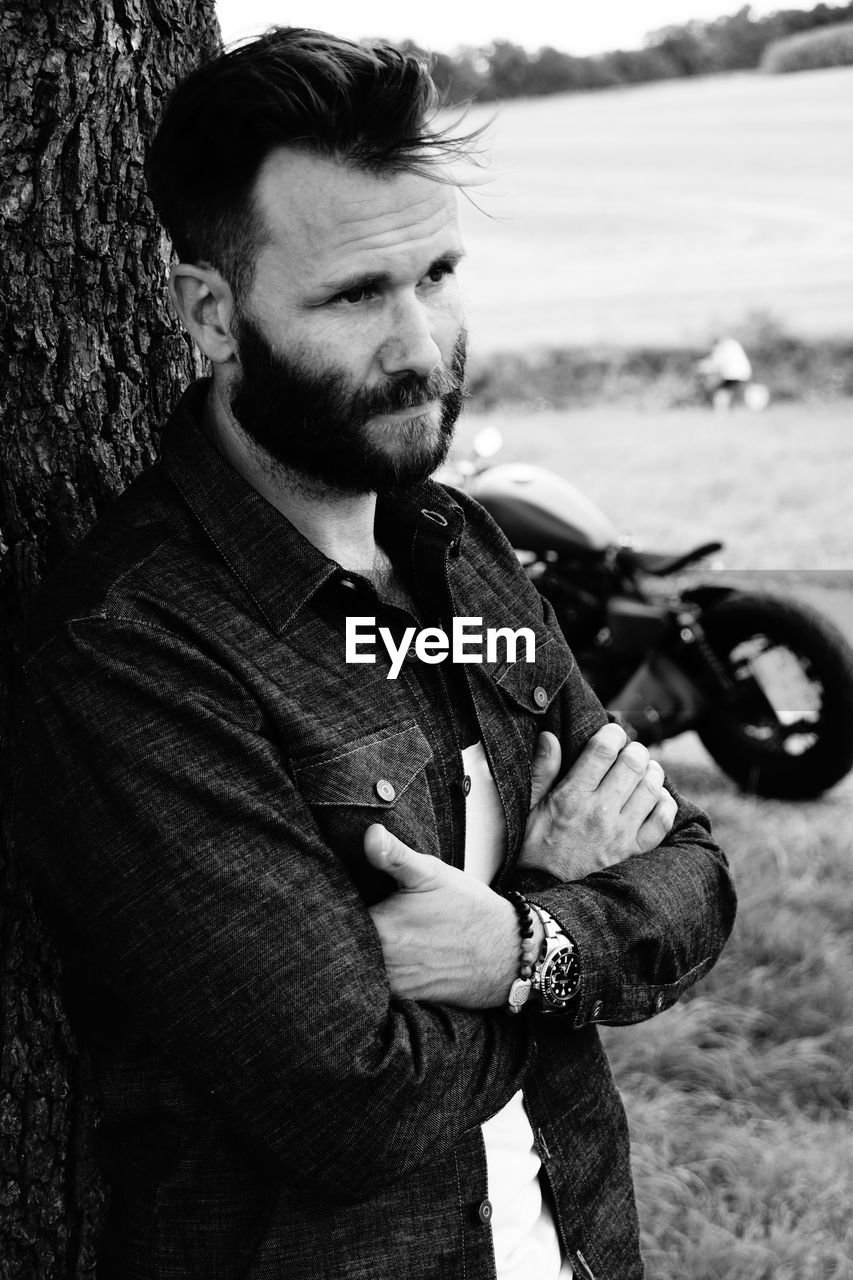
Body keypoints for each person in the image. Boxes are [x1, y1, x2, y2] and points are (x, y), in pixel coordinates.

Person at [10, 28, 736, 1280]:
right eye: (355, 295)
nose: (420, 345)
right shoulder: (131, 648)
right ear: (209, 312)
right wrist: (571, 908)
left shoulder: (467, 548)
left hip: (572, 1241)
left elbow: (693, 868)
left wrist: (520, 943)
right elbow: (352, 1103)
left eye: (439, 273)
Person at [696, 335, 753, 411]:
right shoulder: (732, 344)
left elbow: (716, 362)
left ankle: (721, 411)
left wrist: (703, 366)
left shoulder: (722, 347)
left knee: (721, 392)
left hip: (732, 374)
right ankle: (728, 410)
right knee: (728, 391)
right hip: (742, 372)